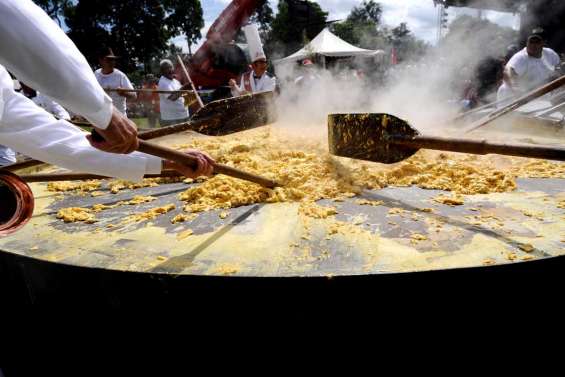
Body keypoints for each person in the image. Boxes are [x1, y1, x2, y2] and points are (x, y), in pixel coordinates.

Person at [0, 0, 214, 181]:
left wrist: (166, 162)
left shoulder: (5, 101)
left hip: (114, 127)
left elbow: (56, 141)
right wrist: (102, 113)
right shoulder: (95, 77)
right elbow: (13, 18)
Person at [497, 29, 561, 105]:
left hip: (536, 97)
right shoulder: (521, 57)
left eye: (537, 42)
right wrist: (515, 88)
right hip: (511, 97)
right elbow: (508, 71)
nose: (533, 45)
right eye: (531, 42)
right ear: (527, 42)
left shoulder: (550, 54)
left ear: (544, 42)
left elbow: (559, 68)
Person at [94, 48, 137, 117]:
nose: (112, 62)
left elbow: (134, 96)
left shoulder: (120, 76)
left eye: (113, 59)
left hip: (119, 118)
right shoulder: (96, 74)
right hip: (101, 118)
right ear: (101, 60)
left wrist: (125, 93)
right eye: (108, 60)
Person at [158, 60, 190, 127]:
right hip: (171, 118)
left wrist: (188, 92)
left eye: (170, 67)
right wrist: (184, 88)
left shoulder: (175, 81)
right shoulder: (163, 82)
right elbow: (172, 98)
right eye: (166, 68)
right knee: (175, 137)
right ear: (162, 71)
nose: (170, 70)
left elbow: (181, 94)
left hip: (182, 115)